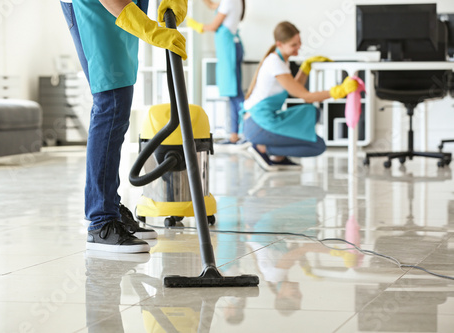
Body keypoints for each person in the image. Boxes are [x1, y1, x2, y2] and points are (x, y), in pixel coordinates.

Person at [60, 0, 188, 253]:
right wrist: (151, 30)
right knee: (111, 100)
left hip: (127, 4)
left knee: (121, 94)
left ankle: (109, 206)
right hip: (93, 6)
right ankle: (102, 221)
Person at [242, 21, 358, 171]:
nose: (298, 48)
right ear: (280, 44)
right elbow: (306, 96)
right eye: (293, 45)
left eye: (299, 43)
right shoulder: (274, 63)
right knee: (318, 146)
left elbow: (293, 87)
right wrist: (339, 91)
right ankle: (264, 149)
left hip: (264, 120)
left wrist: (305, 68)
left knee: (311, 112)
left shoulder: (281, 60)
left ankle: (278, 157)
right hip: (258, 125)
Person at [186, 0, 246, 145]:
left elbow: (213, 26)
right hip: (232, 46)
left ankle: (244, 132)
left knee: (234, 93)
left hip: (229, 48)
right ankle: (234, 135)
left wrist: (195, 25)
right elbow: (214, 6)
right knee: (233, 93)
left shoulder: (229, 1)